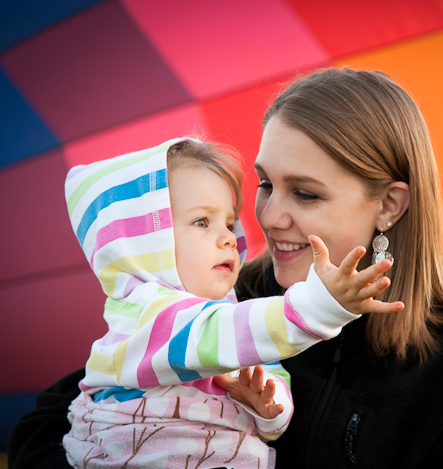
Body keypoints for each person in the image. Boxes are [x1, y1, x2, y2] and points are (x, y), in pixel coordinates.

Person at [8, 68, 443, 469]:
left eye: (304, 193)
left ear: (389, 206)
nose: (269, 216)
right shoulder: (225, 294)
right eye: (265, 184)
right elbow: (52, 420)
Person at [59, 136, 401, 468]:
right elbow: (220, 335)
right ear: (141, 244)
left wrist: (267, 405)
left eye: (228, 222)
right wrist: (316, 307)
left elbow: (265, 366)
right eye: (201, 222)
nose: (227, 238)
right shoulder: (143, 314)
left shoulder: (231, 315)